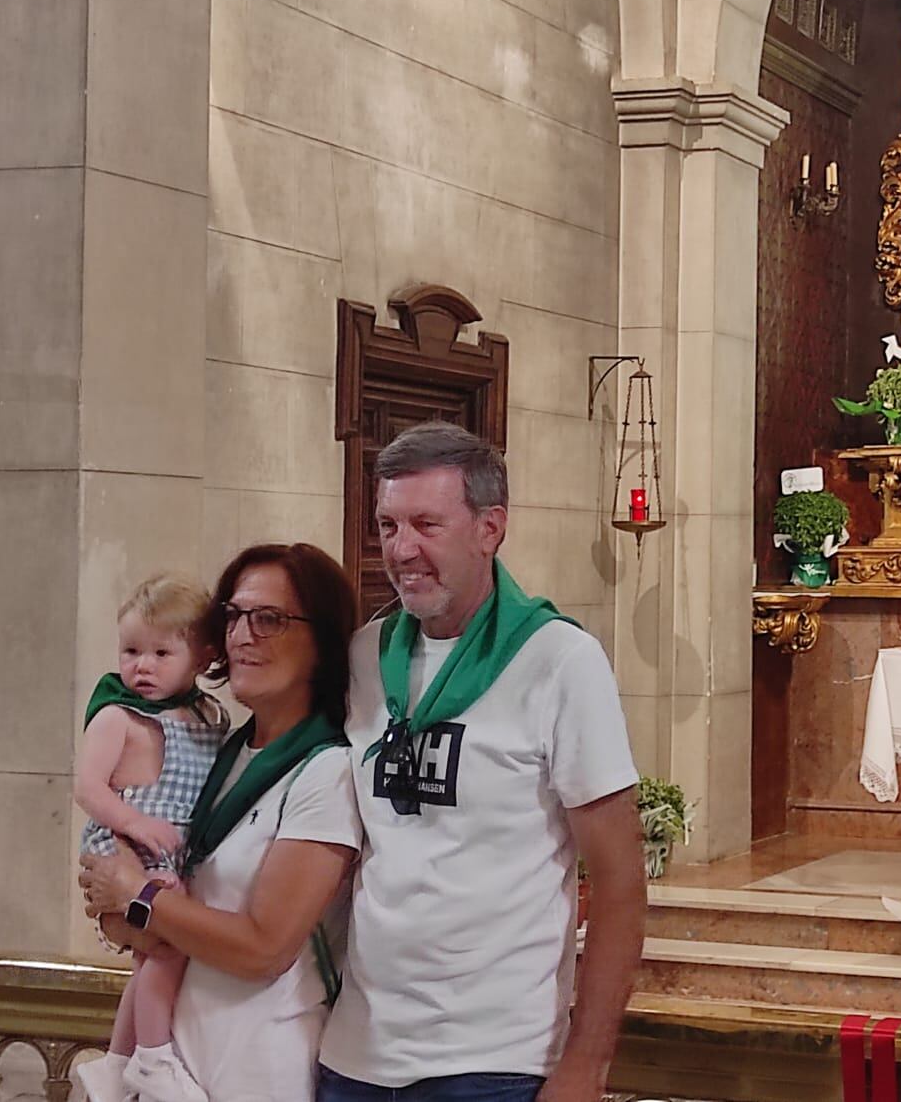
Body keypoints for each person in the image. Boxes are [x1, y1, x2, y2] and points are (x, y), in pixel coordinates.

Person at [316, 421, 646, 1102]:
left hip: (495, 1059)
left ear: (490, 527)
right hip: (358, 1053)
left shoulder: (558, 660)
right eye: (387, 525)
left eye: (426, 524)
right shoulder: (365, 653)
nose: (401, 550)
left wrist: (587, 1066)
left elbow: (618, 880)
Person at [80, 543, 364, 1102]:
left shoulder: (327, 771)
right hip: (177, 1061)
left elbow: (263, 949)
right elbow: (148, 912)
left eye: (269, 619)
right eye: (232, 616)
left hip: (258, 1063)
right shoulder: (226, 750)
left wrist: (139, 896)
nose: (241, 635)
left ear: (322, 643)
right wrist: (120, 908)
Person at [74, 574, 229, 1102]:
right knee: (168, 942)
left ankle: (116, 1062)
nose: (143, 665)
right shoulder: (119, 716)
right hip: (123, 847)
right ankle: (154, 1056)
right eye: (132, 650)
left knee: (152, 956)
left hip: (169, 854)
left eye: (162, 652)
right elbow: (88, 788)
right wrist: (134, 824)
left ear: (203, 656)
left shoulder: (209, 718)